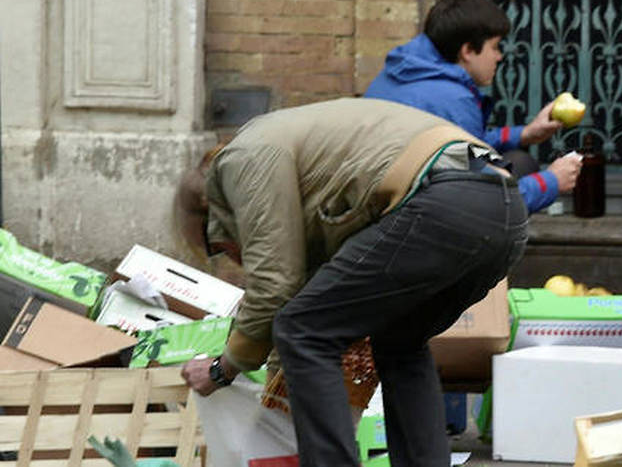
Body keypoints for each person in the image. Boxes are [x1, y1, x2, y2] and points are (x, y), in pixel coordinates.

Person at [177, 97, 528, 467]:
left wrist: (222, 369)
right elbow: (310, 292)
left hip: (445, 200)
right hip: (504, 210)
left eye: (220, 249)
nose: (235, 260)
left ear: (216, 217)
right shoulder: (307, 166)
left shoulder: (243, 158)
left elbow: (275, 286)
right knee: (400, 342)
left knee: (303, 330)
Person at [364, 0, 581, 213]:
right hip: (408, 216)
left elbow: (462, 148)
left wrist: (526, 133)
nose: (499, 56)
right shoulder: (452, 99)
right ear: (468, 50)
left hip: (379, 205)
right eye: (494, 47)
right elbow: (485, 200)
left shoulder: (402, 72)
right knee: (517, 169)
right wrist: (552, 181)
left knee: (517, 161)